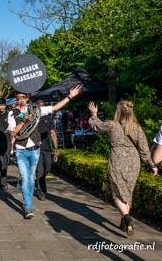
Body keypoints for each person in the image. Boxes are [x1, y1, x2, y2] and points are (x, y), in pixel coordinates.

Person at [8, 86, 82, 219]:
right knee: (25, 179)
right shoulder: (12, 113)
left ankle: (27, 203)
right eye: (18, 98)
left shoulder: (35, 109)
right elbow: (13, 132)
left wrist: (69, 97)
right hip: (21, 150)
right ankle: (29, 207)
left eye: (23, 97)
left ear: (27, 98)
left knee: (31, 179)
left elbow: (54, 108)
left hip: (35, 149)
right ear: (16, 99)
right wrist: (23, 121)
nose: (21, 100)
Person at [88, 101, 158, 235]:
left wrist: (94, 113)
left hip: (117, 160)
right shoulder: (137, 128)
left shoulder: (112, 125)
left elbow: (96, 125)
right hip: (133, 162)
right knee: (127, 192)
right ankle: (124, 223)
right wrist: (152, 165)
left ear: (118, 112)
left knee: (117, 192)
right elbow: (144, 149)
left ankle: (127, 218)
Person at [34, 100, 59, 201]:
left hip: (47, 147)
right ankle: (41, 190)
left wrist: (56, 148)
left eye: (42, 107)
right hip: (36, 147)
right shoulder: (33, 118)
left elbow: (53, 133)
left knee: (47, 167)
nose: (40, 109)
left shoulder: (48, 119)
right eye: (39, 107)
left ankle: (40, 183)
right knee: (40, 170)